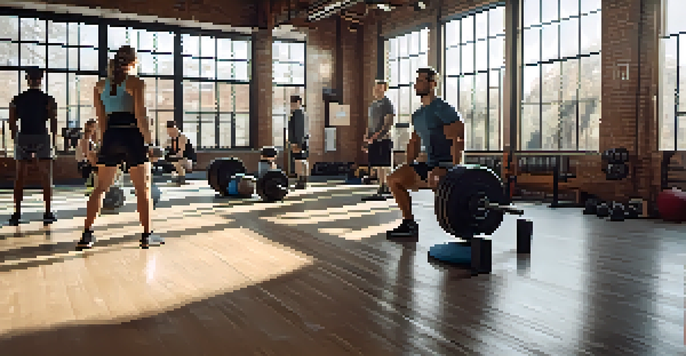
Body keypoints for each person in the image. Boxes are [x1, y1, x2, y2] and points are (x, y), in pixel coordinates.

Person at [76, 45, 163, 249]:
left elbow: (101, 120)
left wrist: (102, 145)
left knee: (100, 188)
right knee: (143, 190)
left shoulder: (100, 85)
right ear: (134, 62)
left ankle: (87, 235)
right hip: (132, 135)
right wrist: (149, 143)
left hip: (111, 136)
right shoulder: (136, 82)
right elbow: (141, 117)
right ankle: (147, 235)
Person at [386, 67, 464, 239]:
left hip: (445, 165)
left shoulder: (443, 109)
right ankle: (409, 223)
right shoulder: (418, 115)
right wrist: (408, 164)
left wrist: (456, 169)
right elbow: (414, 141)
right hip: (428, 164)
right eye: (417, 81)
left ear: (432, 84)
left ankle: (461, 221)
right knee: (394, 179)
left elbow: (458, 137)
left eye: (421, 81)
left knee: (435, 178)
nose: (416, 85)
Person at [8, 67, 57, 226]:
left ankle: (16, 213)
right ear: (40, 79)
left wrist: (15, 139)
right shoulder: (48, 100)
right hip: (41, 136)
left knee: (20, 177)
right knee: (45, 177)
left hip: (24, 136)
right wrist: (54, 141)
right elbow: (53, 122)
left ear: (27, 79)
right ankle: (48, 213)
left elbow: (12, 122)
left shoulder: (17, 99)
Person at [362, 79, 395, 201]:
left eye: (380, 88)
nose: (377, 90)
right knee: (378, 165)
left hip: (384, 139)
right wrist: (367, 137)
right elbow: (370, 123)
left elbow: (388, 122)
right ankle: (382, 186)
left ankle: (389, 186)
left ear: (384, 89)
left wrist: (378, 135)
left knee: (385, 164)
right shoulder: (373, 105)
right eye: (376, 87)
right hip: (373, 139)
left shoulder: (387, 104)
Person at [287, 95, 309, 189]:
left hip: (298, 141)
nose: (291, 105)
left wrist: (297, 143)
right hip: (302, 141)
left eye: (293, 103)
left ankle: (300, 180)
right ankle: (303, 179)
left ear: (298, 102)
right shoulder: (302, 113)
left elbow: (299, 129)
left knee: (298, 161)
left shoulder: (298, 113)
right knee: (303, 161)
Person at [165, 120, 195, 185]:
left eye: (171, 132)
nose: (169, 134)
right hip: (179, 158)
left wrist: (171, 156)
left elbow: (180, 154)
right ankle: (180, 177)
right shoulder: (170, 140)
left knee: (177, 161)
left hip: (188, 159)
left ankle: (181, 177)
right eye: (168, 132)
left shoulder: (182, 138)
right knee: (172, 161)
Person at [75, 119, 99, 195]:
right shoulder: (85, 139)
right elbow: (87, 154)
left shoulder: (90, 139)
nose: (94, 129)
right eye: (93, 127)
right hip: (85, 164)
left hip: (87, 163)